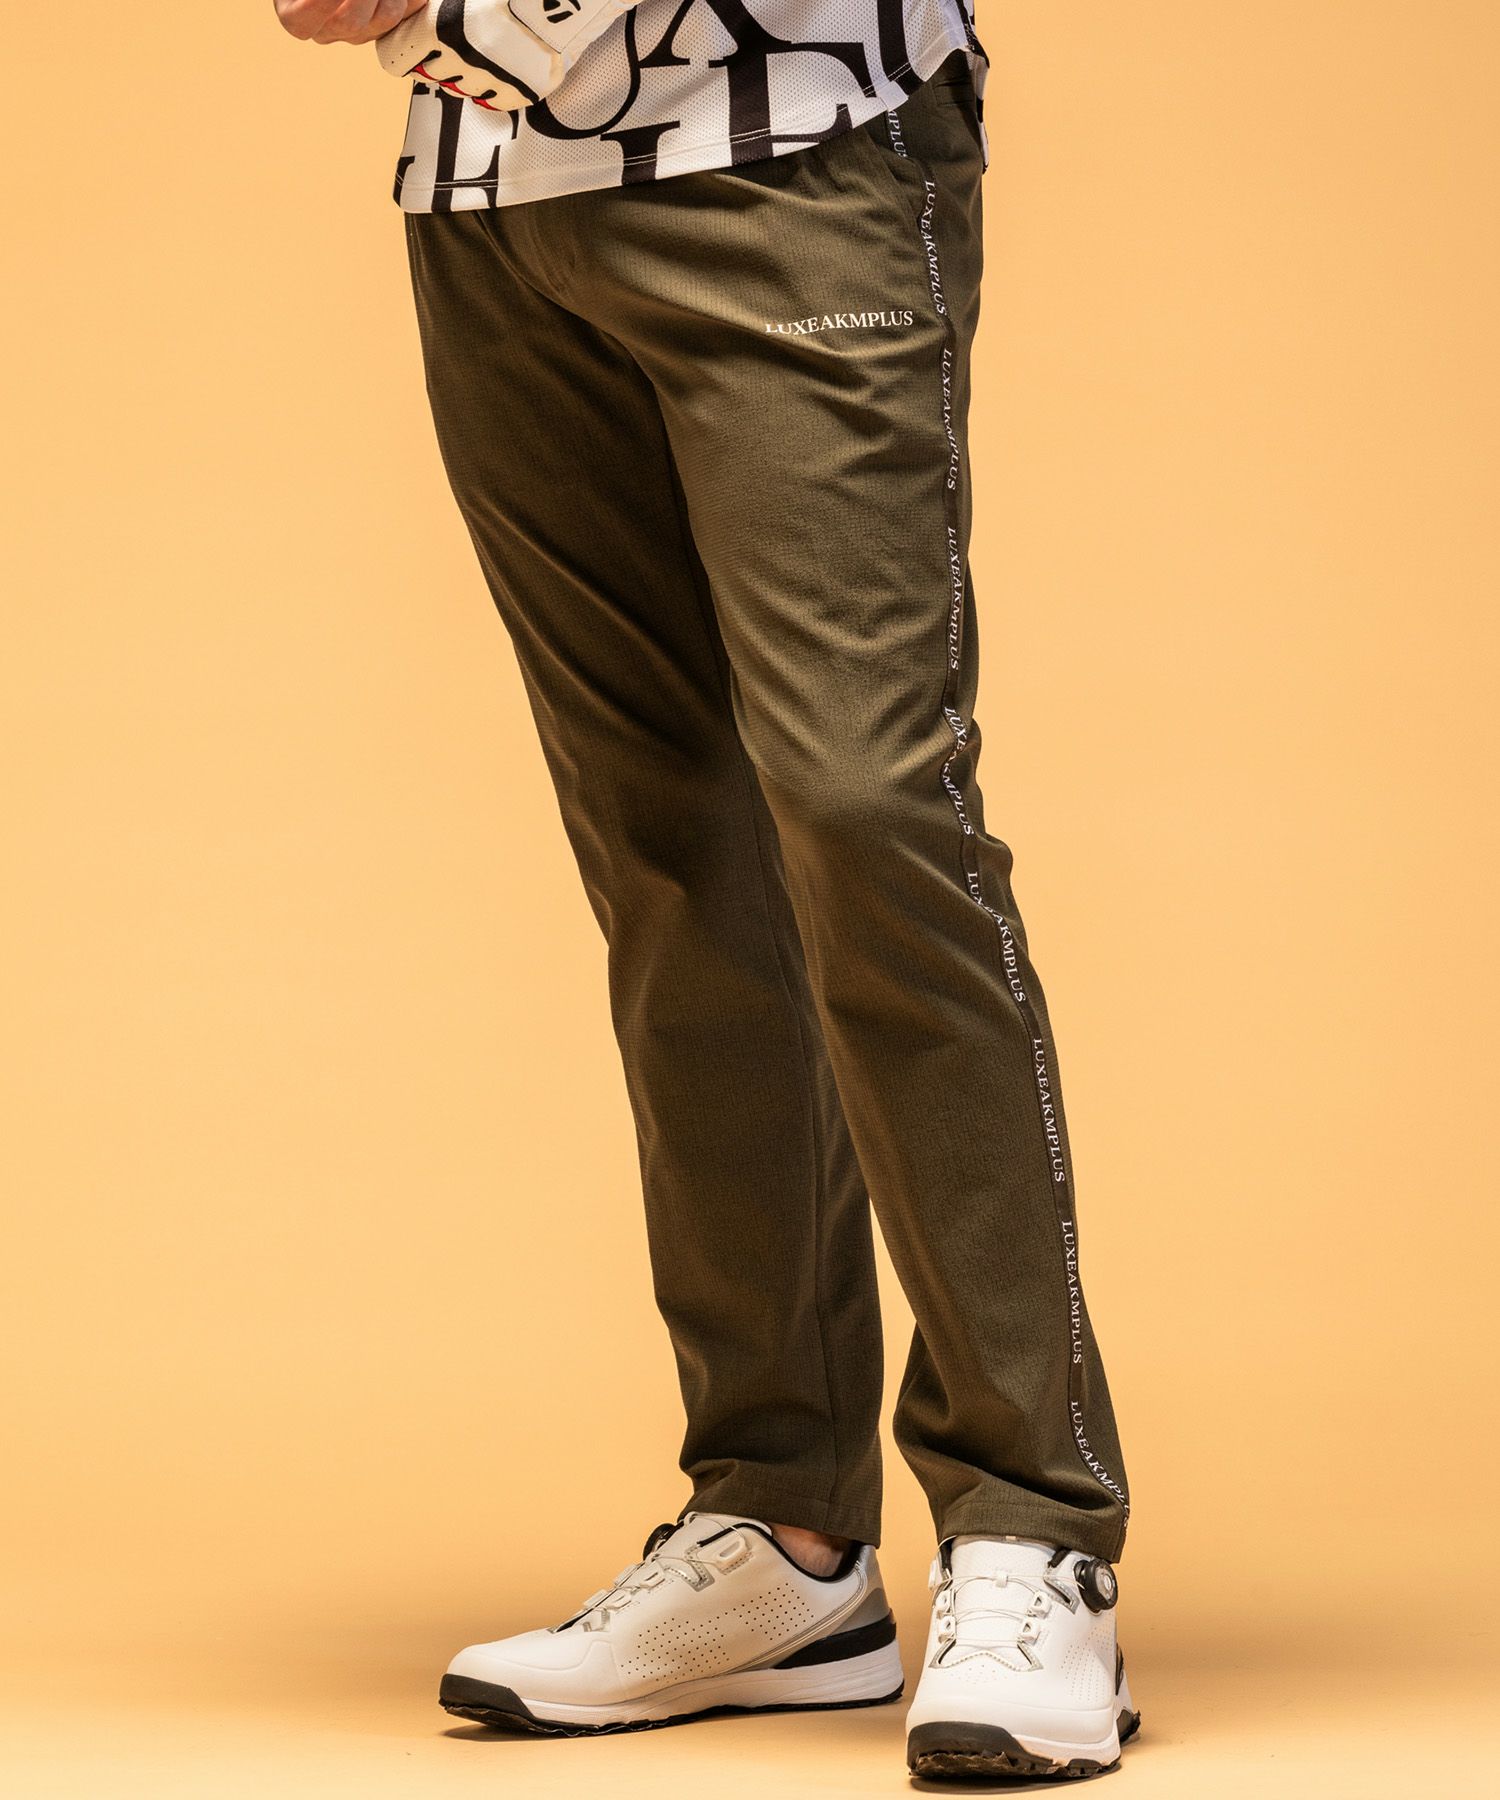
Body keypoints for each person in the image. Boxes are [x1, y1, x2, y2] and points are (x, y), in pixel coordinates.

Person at [275, 0, 1139, 1778]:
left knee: (866, 810)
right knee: (670, 847)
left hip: (793, 143)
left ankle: (1033, 1521)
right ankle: (781, 1529)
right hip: (487, 190)